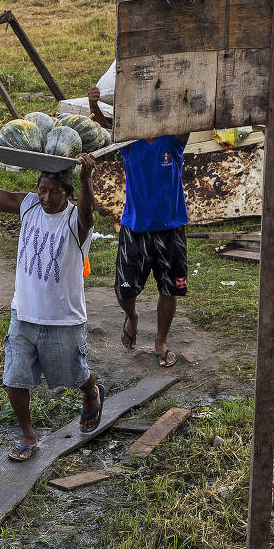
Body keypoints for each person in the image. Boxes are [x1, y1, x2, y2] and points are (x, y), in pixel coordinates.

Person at [0, 151, 102, 459]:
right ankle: (28, 435)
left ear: (68, 193)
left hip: (64, 317)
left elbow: (87, 214)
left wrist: (85, 178)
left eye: (55, 191)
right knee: (14, 378)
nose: (47, 197)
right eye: (42, 189)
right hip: (23, 313)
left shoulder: (75, 220)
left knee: (75, 374)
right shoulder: (28, 205)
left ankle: (91, 391)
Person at [90, 83, 191, 367]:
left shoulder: (172, 140)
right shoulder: (129, 142)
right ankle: (132, 316)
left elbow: (190, 118)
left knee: (169, 288)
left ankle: (161, 339)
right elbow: (107, 128)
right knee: (125, 290)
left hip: (171, 227)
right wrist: (95, 105)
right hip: (135, 226)